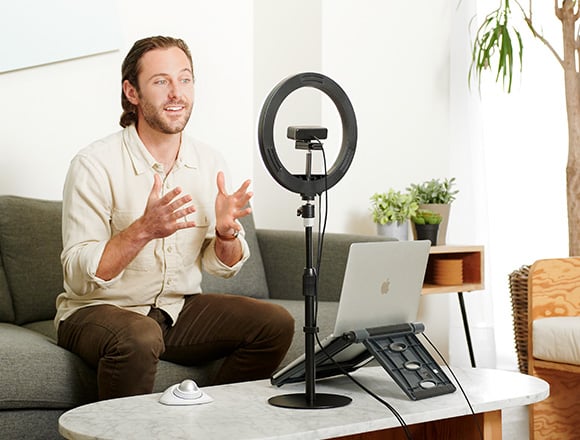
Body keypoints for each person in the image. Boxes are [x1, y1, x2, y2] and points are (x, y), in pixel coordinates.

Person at [54, 36, 294, 400]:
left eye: (185, 79)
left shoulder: (209, 162)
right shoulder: (93, 165)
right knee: (140, 335)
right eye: (161, 81)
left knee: (274, 323)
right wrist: (143, 230)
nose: (176, 93)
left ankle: (211, 422)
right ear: (131, 92)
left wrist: (227, 236)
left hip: (176, 311)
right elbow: (77, 274)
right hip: (96, 310)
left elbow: (222, 265)